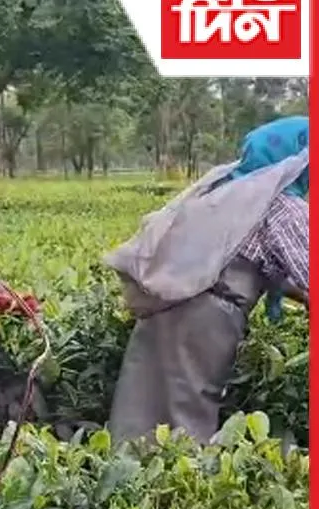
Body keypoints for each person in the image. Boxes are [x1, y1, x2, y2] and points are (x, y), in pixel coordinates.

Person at [108, 116, 309, 444]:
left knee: (143, 406)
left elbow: (263, 264)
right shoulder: (283, 205)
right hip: (207, 318)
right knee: (187, 410)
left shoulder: (229, 191)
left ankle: (132, 481)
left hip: (172, 305)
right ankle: (176, 492)